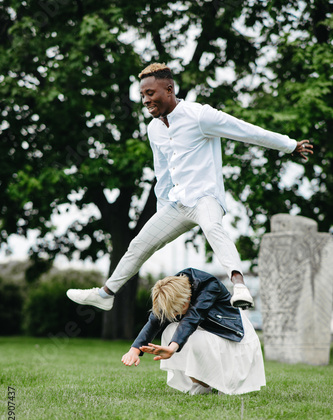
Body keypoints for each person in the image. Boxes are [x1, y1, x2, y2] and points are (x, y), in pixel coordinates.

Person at [66, 63, 313, 311]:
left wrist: (289, 145)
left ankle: (239, 286)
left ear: (169, 89)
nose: (145, 100)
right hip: (177, 204)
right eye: (142, 95)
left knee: (212, 227)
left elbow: (244, 130)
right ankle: (106, 294)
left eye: (150, 93)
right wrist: (162, 211)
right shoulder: (154, 129)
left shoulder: (200, 116)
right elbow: (161, 172)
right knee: (138, 244)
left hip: (206, 198)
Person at [121, 268, 266, 395]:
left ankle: (218, 382)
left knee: (190, 337)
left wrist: (172, 348)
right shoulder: (172, 290)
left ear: (188, 299)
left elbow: (192, 319)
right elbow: (155, 320)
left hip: (234, 336)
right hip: (209, 332)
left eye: (176, 311)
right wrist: (134, 350)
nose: (173, 316)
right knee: (170, 331)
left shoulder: (209, 286)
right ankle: (201, 385)